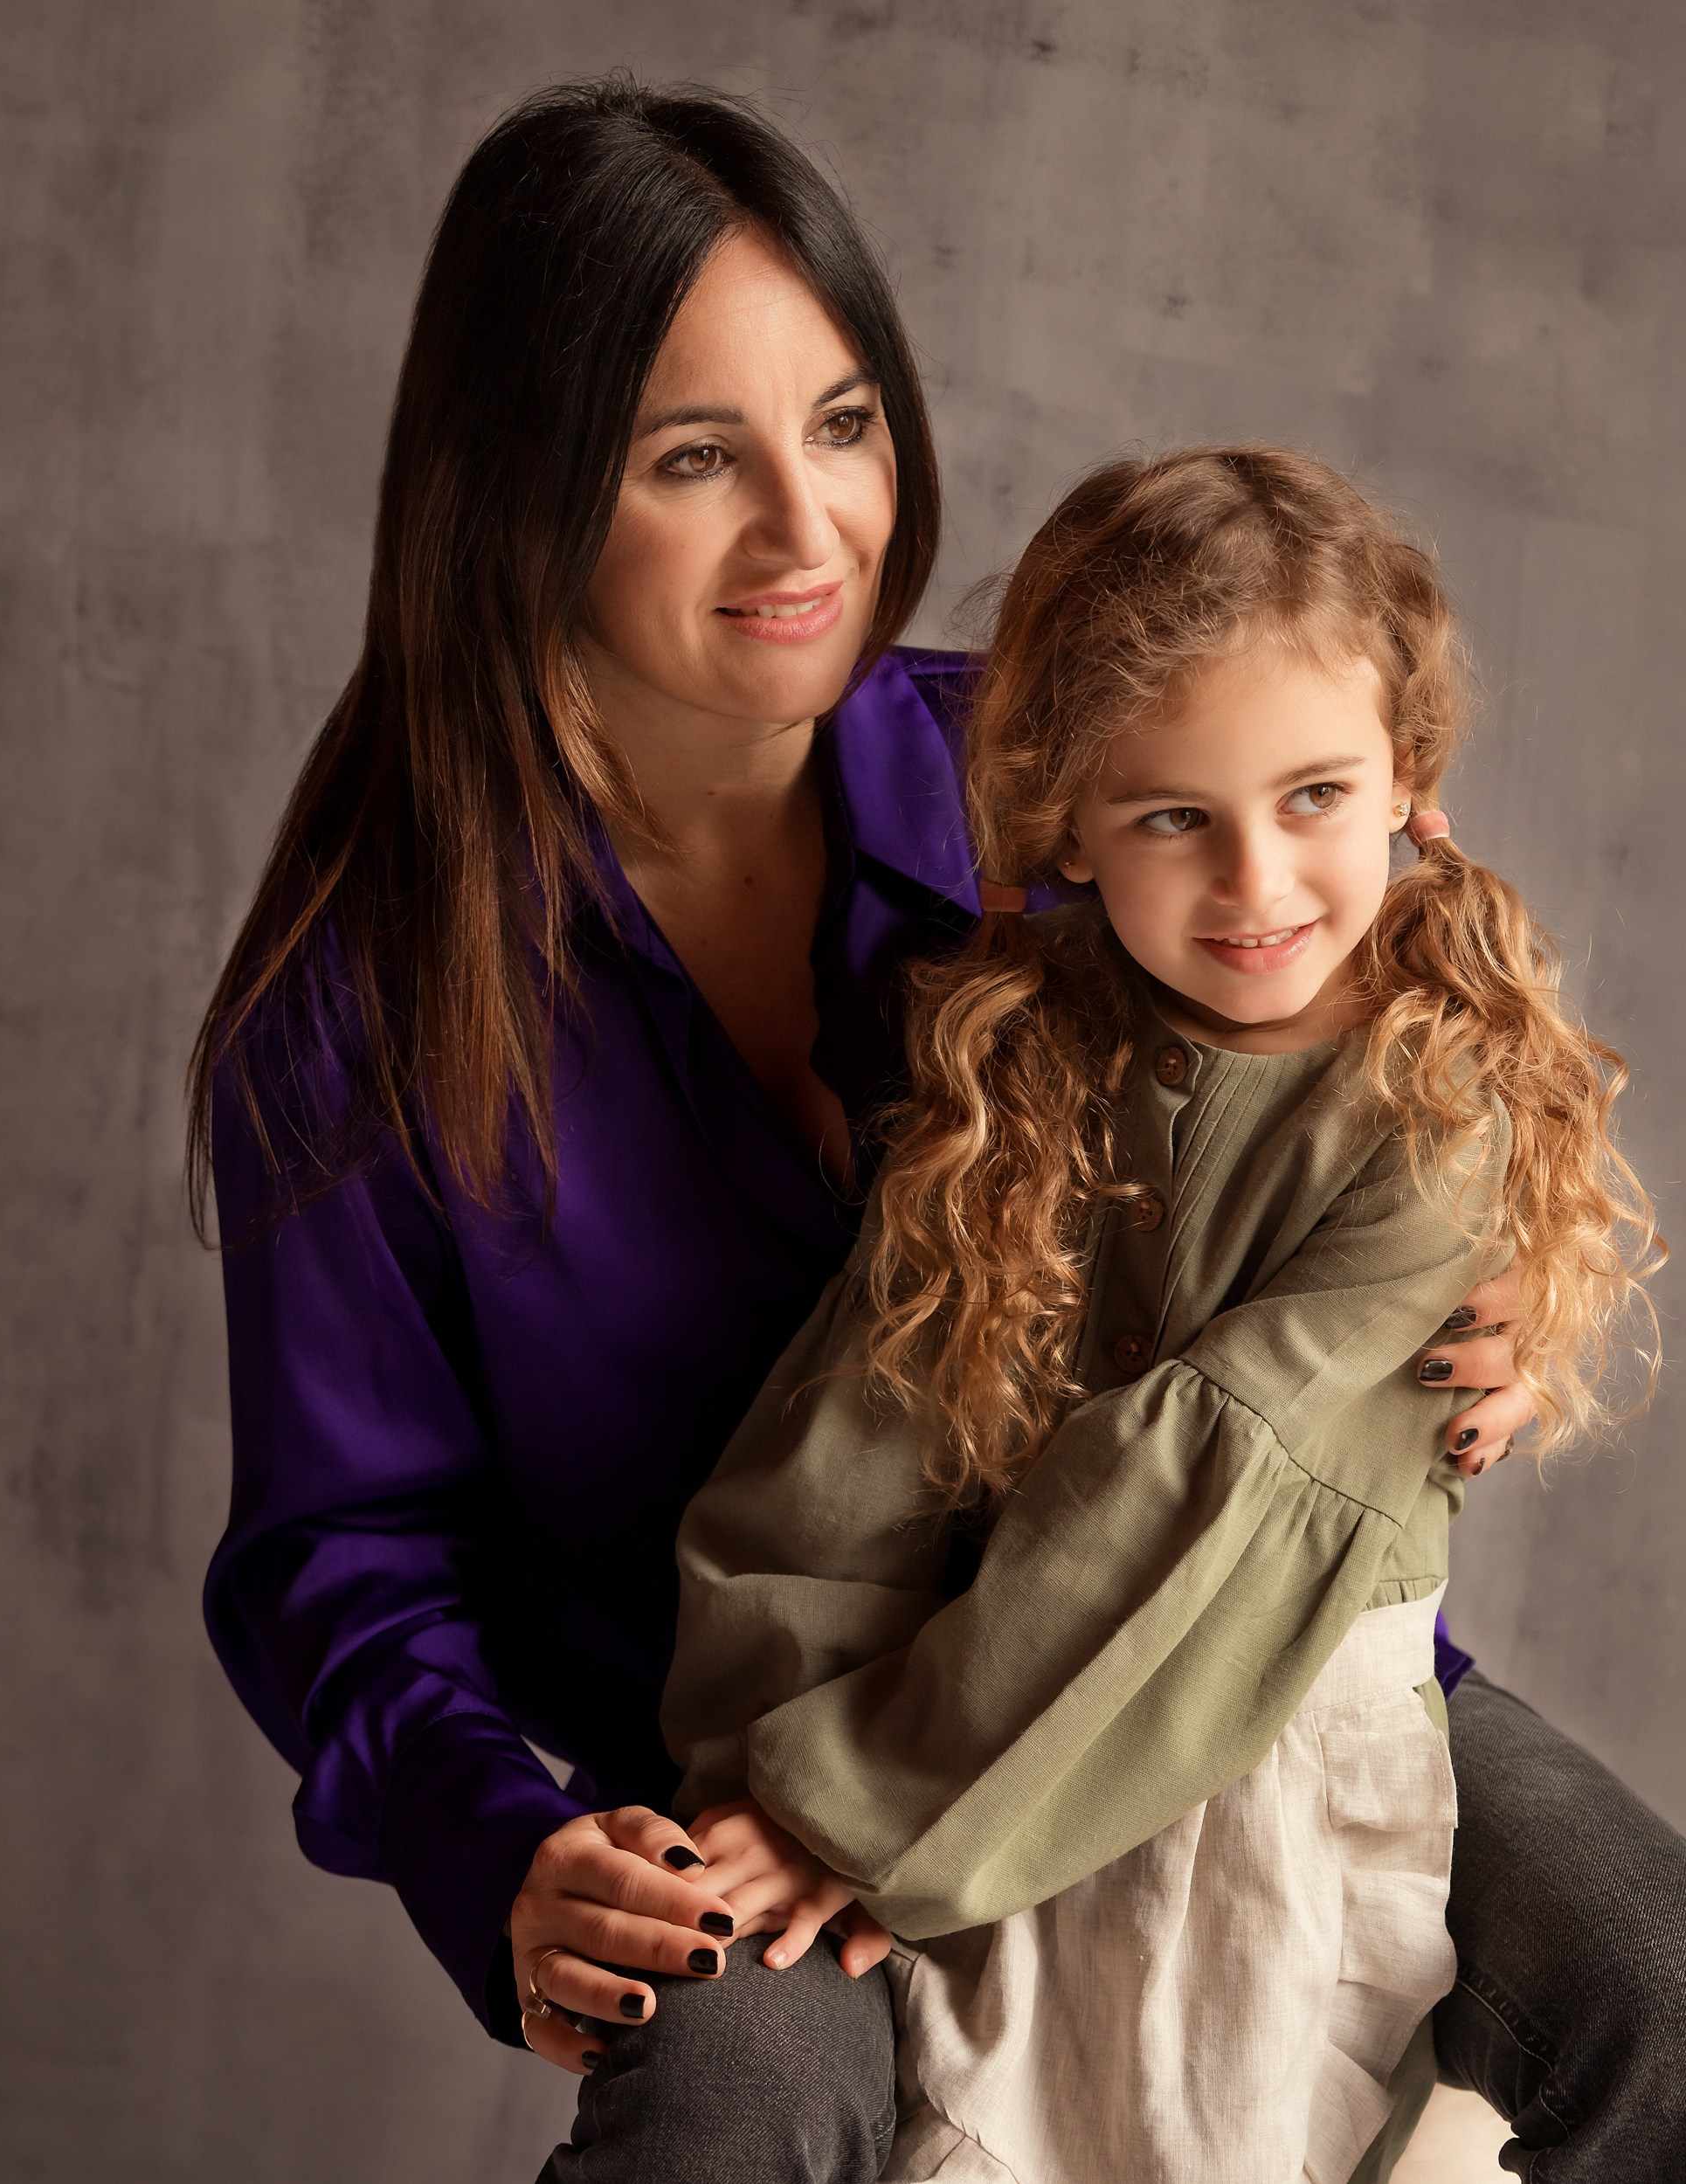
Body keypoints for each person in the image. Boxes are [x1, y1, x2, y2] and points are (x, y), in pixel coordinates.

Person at [188, 76, 1686, 2184]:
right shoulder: (356, 1012)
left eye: (847, 423)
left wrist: (1484, 1247)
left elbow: (1359, 903)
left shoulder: (1058, 758)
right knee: (727, 2112)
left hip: (1226, 1649)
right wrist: (505, 1848)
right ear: (516, 494)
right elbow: (338, 1560)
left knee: (1663, 1977)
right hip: (779, 1777)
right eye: (694, 459)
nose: (816, 535)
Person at [663, 446, 1660, 2182]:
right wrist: (770, 1745)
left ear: (1407, 776)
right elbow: (861, 1423)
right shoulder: (1022, 1060)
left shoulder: (1435, 1115)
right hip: (968, 1705)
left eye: (1314, 795)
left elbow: (1202, 1486)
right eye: (1171, 816)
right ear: (1071, 822)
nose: (1257, 885)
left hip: (1265, 1707)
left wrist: (849, 1798)